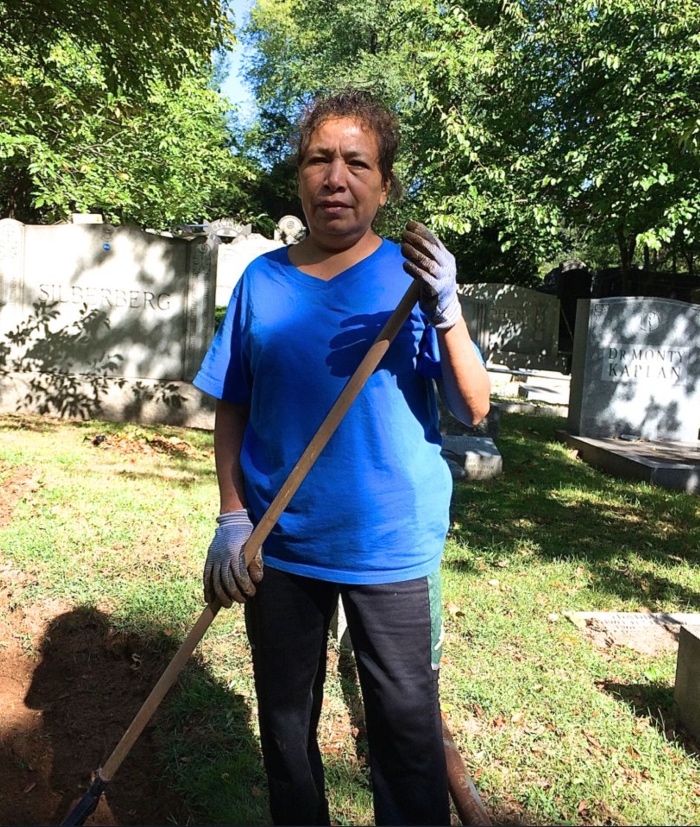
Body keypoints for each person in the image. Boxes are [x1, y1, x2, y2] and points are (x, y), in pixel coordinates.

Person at [193, 87, 491, 826]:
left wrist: (448, 312)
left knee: (406, 732)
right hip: (281, 544)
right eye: (320, 159)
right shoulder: (263, 281)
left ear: (384, 185)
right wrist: (232, 515)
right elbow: (231, 401)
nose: (336, 177)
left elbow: (473, 406)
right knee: (287, 730)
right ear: (300, 176)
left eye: (357, 162)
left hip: (390, 544)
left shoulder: (413, 281)